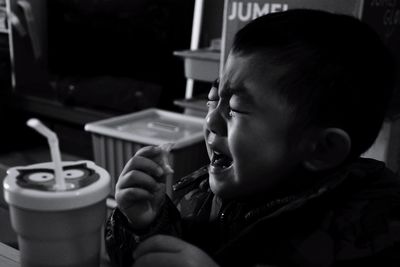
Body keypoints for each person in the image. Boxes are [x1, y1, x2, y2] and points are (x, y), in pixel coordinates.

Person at [105, 9, 400, 267]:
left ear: (322, 148)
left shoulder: (368, 235)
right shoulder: (199, 196)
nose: (209, 120)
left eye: (235, 108)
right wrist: (146, 224)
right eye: (212, 100)